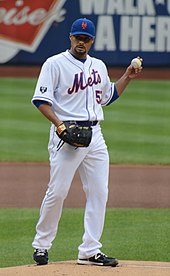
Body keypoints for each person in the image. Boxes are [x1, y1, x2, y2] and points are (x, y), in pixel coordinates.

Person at [31, 18, 142, 267]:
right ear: (70, 38)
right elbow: (41, 100)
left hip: (95, 137)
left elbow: (107, 96)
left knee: (99, 192)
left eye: (86, 39)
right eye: (77, 38)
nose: (81, 42)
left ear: (92, 41)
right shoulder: (55, 64)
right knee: (58, 192)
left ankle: (90, 250)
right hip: (66, 136)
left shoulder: (98, 66)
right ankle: (41, 245)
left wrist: (127, 76)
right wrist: (59, 126)